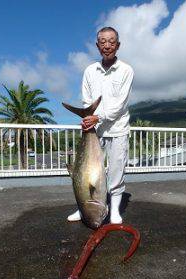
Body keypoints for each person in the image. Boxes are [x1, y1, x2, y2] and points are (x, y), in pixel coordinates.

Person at [67, 26, 134, 224]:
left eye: (111, 42)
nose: (107, 45)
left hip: (117, 129)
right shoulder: (89, 71)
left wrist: (97, 117)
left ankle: (114, 210)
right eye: (103, 42)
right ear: (97, 46)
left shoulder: (126, 70)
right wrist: (88, 118)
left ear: (118, 45)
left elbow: (120, 104)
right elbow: (87, 100)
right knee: (85, 173)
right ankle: (84, 206)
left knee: (116, 171)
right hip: (94, 131)